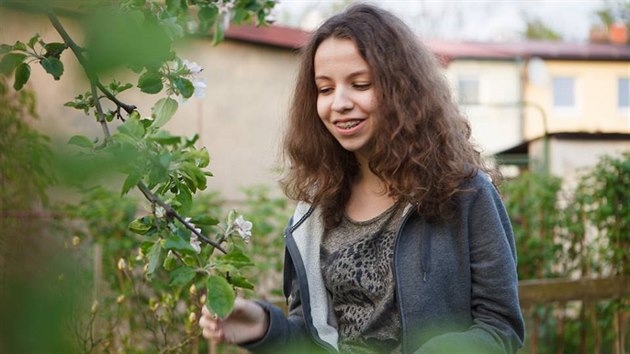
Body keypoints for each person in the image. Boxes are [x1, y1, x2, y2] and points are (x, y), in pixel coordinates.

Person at [199, 3, 525, 353]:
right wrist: (263, 326)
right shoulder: (314, 211)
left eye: (360, 84)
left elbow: (499, 328)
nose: (338, 102)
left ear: (402, 89)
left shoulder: (465, 193)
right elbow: (313, 337)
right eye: (324, 89)